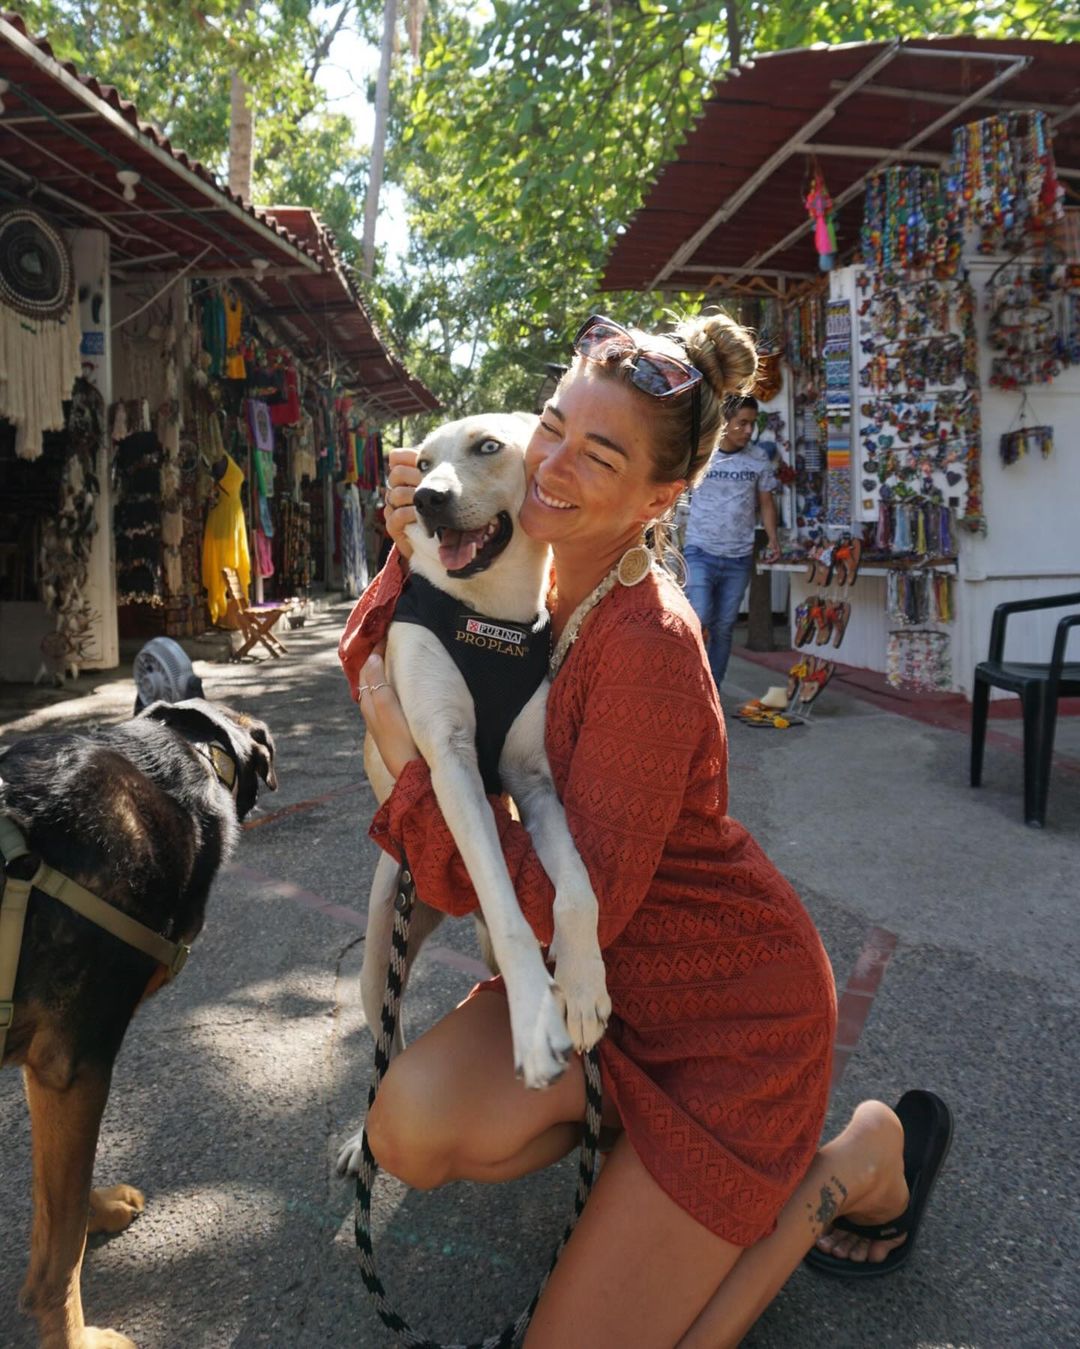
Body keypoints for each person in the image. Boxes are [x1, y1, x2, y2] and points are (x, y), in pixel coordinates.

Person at [339, 312, 951, 1348]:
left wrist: (411, 773)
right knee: (407, 1126)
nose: (554, 463)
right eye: (552, 426)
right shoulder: (519, 553)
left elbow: (540, 905)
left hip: (726, 1024)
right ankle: (637, 1161)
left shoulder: (649, 643)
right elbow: (377, 650)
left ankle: (854, 1158)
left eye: (602, 452)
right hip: (601, 1002)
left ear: (664, 499)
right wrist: (411, 537)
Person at [683, 393, 780, 691]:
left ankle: (713, 688)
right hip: (700, 551)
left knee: (724, 627)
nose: (749, 431)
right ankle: (690, 686)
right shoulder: (701, 455)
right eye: (742, 423)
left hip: (738, 557)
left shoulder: (758, 459)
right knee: (698, 619)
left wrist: (773, 540)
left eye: (753, 424)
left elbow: (765, 502)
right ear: (725, 423)